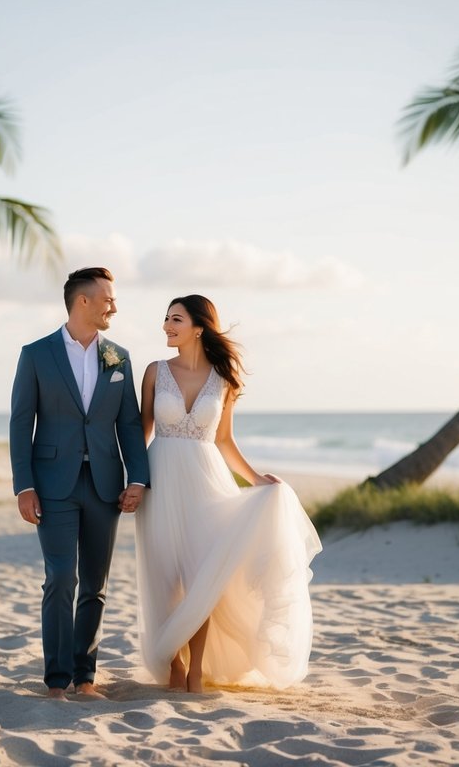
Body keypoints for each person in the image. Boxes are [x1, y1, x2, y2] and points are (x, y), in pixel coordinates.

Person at [135, 295, 322, 693]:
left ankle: (197, 670)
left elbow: (224, 440)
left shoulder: (224, 380)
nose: (167, 326)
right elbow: (142, 434)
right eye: (166, 319)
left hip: (205, 480)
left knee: (202, 577)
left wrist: (256, 480)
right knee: (165, 577)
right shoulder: (154, 371)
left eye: (175, 319)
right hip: (161, 479)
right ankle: (174, 666)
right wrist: (133, 481)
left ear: (198, 327)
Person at [9, 267, 150, 700]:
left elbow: (129, 423)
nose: (114, 306)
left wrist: (139, 478)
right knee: (60, 579)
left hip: (105, 484)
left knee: (95, 584)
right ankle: (56, 680)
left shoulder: (119, 357)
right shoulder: (36, 354)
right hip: (53, 484)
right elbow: (20, 423)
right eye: (107, 298)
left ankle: (84, 678)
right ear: (82, 301)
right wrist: (23, 485)